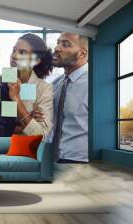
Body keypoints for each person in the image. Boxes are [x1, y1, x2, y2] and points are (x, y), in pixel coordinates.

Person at [46, 32, 89, 163]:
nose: (57, 48)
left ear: (82, 53)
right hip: (52, 158)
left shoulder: (94, 84)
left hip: (80, 161)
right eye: (58, 43)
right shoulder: (55, 84)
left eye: (65, 44)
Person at [6, 33, 54, 139]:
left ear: (36, 60)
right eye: (14, 50)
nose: (14, 56)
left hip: (24, 152)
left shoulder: (44, 89)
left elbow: (42, 135)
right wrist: (28, 118)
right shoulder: (0, 82)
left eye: (22, 52)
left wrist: (16, 99)